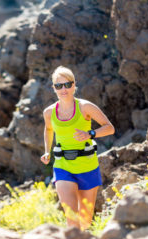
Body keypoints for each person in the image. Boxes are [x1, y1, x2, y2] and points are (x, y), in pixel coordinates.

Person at [40, 66, 115, 230]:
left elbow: (109, 128)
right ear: (54, 88)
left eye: (67, 84)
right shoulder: (49, 112)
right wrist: (47, 150)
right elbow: (49, 129)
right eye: (59, 86)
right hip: (63, 166)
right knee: (72, 219)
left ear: (74, 85)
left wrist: (90, 133)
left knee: (85, 221)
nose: (63, 89)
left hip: (88, 166)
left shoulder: (85, 107)